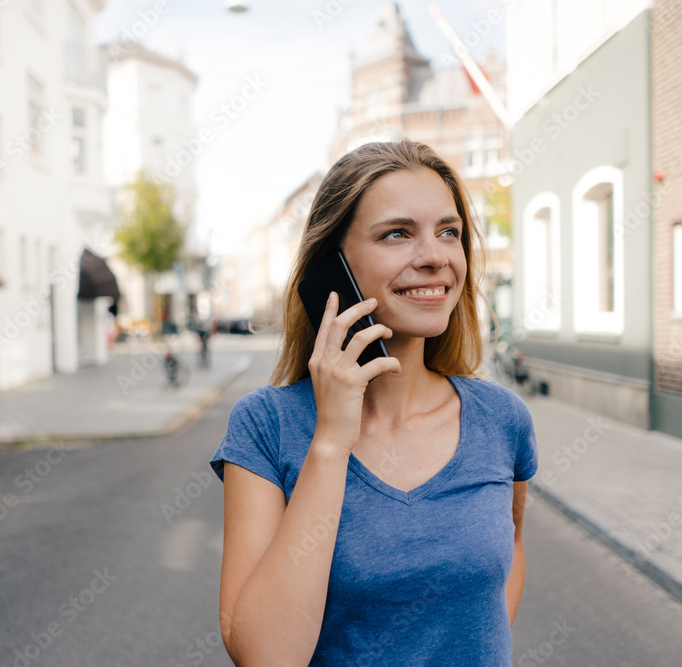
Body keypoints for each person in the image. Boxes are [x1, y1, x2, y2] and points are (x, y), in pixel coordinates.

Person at [208, 139, 539, 666]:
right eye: (397, 234)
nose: (435, 257)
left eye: (448, 232)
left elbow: (512, 548)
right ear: (332, 268)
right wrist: (332, 442)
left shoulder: (502, 419)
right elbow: (266, 657)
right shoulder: (264, 427)